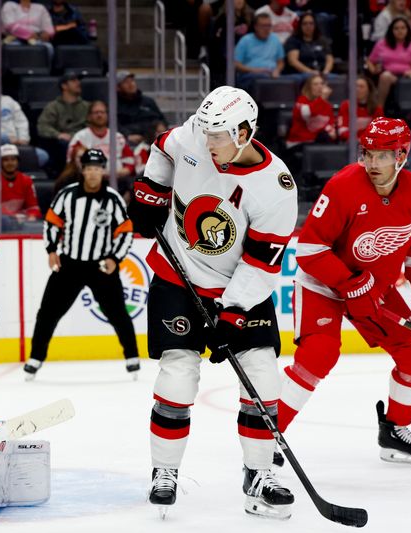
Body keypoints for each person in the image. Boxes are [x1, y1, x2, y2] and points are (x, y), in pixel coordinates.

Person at [127, 86, 298, 519]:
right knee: (177, 377)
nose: (207, 143)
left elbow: (260, 265)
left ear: (243, 132)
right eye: (204, 133)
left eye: (218, 135)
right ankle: (164, 472)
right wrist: (151, 190)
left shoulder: (275, 187)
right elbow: (163, 149)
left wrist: (233, 314)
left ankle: (259, 474)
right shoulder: (194, 136)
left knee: (262, 378)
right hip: (176, 278)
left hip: (240, 288)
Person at [277, 117, 411, 467]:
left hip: (375, 288)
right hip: (325, 283)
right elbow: (310, 250)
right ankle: (266, 434)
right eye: (368, 154)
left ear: (402, 155)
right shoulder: (344, 185)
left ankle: (395, 431)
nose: (373, 163)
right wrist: (349, 283)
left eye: (383, 156)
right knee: (320, 353)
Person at [24, 148, 139, 380]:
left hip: (101, 267)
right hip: (70, 265)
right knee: (47, 312)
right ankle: (35, 358)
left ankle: (133, 357)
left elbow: (125, 231)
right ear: (83, 170)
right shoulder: (67, 195)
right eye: (89, 168)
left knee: (118, 313)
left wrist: (114, 258)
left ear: (102, 171)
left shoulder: (113, 199)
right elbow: (52, 222)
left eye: (97, 168)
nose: (94, 173)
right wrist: (51, 249)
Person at [66, 100, 135, 181]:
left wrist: (118, 173)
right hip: (88, 180)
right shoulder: (80, 138)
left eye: (102, 112)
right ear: (89, 116)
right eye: (96, 112)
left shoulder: (118, 137)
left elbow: (130, 162)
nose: (99, 115)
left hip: (118, 180)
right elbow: (71, 163)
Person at [37, 73, 90, 174]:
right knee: (63, 145)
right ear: (64, 86)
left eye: (78, 80)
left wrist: (78, 136)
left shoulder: (87, 107)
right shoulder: (53, 107)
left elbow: (92, 125)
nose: (78, 83)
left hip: (84, 141)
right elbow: (43, 127)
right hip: (61, 144)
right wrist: (58, 135)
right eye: (73, 81)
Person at [0, 144, 41, 231]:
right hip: (0, 222)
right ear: (0, 162)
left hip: (21, 222)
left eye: (13, 159)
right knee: (4, 220)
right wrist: (13, 216)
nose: (10, 163)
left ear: (18, 161)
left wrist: (32, 216)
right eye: (6, 160)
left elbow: (33, 207)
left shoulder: (26, 180)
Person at [366, 17, 411, 110]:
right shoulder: (381, 44)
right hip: (387, 74)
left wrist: (409, 73)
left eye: (403, 28)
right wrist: (374, 70)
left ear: (407, 30)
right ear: (391, 30)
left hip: (405, 76)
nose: (400, 31)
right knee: (385, 76)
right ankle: (379, 109)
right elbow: (370, 61)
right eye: (396, 28)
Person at [234, 13, 285, 93]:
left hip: (272, 76)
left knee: (298, 79)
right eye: (263, 26)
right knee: (262, 78)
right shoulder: (246, 40)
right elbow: (236, 64)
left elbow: (280, 62)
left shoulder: (275, 39)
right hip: (249, 76)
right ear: (256, 27)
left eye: (268, 25)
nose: (266, 29)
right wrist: (254, 70)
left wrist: (277, 70)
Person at [286, 74, 337, 150]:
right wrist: (321, 99)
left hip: (317, 142)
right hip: (299, 143)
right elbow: (306, 114)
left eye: (322, 83)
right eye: (315, 84)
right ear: (309, 87)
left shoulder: (326, 105)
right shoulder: (302, 101)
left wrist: (331, 131)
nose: (320, 86)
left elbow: (330, 122)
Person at [116, 71, 167, 145]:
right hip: (126, 141)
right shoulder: (114, 105)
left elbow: (162, 120)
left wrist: (161, 125)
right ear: (118, 87)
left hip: (151, 140)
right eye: (126, 82)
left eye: (132, 81)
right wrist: (127, 135)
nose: (131, 84)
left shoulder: (148, 101)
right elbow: (113, 126)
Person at [283, 11, 334, 82]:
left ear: (315, 25)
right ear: (300, 26)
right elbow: (293, 61)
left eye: (311, 23)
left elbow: (329, 59)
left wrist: (326, 71)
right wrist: (310, 72)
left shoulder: (322, 40)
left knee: (338, 79)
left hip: (321, 73)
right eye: (305, 24)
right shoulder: (293, 40)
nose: (308, 26)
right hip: (302, 73)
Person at [337, 76, 384, 141]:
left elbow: (379, 131)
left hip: (369, 145)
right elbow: (342, 129)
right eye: (356, 86)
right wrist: (356, 140)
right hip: (350, 144)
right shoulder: (346, 105)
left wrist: (365, 141)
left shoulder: (377, 109)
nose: (357, 89)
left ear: (369, 90)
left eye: (361, 86)